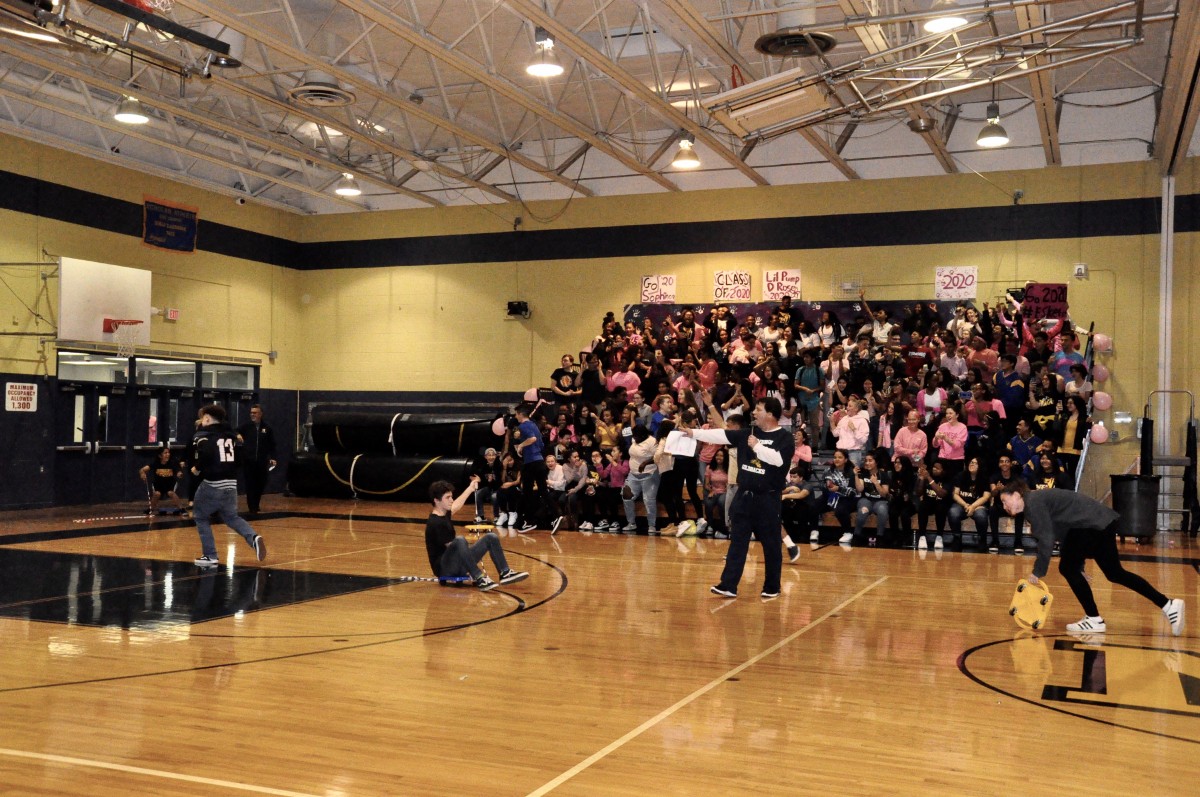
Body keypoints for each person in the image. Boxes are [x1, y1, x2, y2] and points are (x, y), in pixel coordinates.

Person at [999, 481, 1184, 635]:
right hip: (1100, 523)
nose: (1004, 506)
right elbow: (1063, 532)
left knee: (1067, 568)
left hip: (1092, 525)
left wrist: (1038, 572)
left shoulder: (1033, 503)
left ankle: (1094, 618)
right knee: (1114, 573)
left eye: (1005, 501)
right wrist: (1079, 566)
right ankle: (1168, 605)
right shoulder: (1035, 502)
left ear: (1017, 494)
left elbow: (1047, 538)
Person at [685, 397, 795, 599]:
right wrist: (693, 433)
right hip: (744, 497)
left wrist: (758, 447)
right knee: (737, 541)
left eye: (759, 409)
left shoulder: (785, 438)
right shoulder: (748, 433)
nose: (754, 412)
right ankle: (728, 584)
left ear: (770, 413)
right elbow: (722, 434)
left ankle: (772, 587)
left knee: (771, 545)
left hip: (768, 499)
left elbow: (779, 461)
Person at [189, 404, 266, 568]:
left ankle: (210, 555)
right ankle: (253, 537)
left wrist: (197, 468)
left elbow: (207, 453)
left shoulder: (204, 435)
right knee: (231, 517)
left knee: (200, 515)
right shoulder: (231, 436)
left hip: (213, 483)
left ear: (208, 418)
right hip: (231, 483)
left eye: (203, 418)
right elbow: (239, 460)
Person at [424, 478, 528, 591]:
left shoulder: (444, 513)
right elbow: (454, 549)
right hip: (444, 568)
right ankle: (479, 577)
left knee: (491, 537)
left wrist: (470, 488)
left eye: (451, 496)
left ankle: (505, 572)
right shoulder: (435, 522)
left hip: (457, 563)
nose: (452, 500)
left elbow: (457, 505)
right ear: (436, 501)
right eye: (448, 498)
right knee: (459, 540)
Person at [512, 402, 563, 533]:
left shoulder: (523, 425)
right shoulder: (534, 425)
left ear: (520, 414)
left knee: (527, 492)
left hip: (531, 463)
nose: (515, 416)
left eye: (516, 414)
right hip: (540, 462)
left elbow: (533, 439)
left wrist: (521, 445)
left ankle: (529, 521)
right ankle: (557, 515)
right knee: (543, 491)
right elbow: (540, 444)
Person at [235, 404, 277, 514]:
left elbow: (272, 444)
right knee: (250, 483)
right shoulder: (246, 426)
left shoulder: (267, 428)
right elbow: (234, 431)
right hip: (248, 460)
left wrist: (273, 457)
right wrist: (238, 435)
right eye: (251, 412)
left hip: (262, 461)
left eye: (255, 412)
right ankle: (252, 506)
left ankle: (256, 503)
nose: (252, 414)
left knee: (260, 483)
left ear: (260, 414)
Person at [947, 455, 991, 550]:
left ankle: (982, 539)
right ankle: (957, 537)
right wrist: (965, 505)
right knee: (953, 512)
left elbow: (986, 496)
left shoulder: (984, 478)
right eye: (971, 462)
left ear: (980, 466)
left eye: (975, 463)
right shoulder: (960, 475)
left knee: (981, 516)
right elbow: (955, 494)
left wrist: (973, 506)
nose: (972, 464)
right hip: (962, 504)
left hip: (978, 505)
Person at [139, 446, 188, 517]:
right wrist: (142, 474)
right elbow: (142, 470)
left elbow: (178, 472)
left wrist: (179, 474)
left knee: (171, 493)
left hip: (170, 484)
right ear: (160, 455)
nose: (168, 454)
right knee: (157, 494)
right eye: (165, 453)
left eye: (168, 453)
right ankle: (150, 509)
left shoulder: (172, 463)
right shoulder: (155, 463)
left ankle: (181, 509)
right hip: (158, 484)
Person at [471, 447, 502, 523]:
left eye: (493, 455)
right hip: (488, 488)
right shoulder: (483, 466)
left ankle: (496, 516)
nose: (491, 457)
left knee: (494, 497)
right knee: (477, 494)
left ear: (496, 456)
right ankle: (481, 516)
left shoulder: (499, 465)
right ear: (485, 457)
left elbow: (500, 481)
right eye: (489, 455)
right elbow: (481, 479)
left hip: (497, 488)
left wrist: (492, 480)